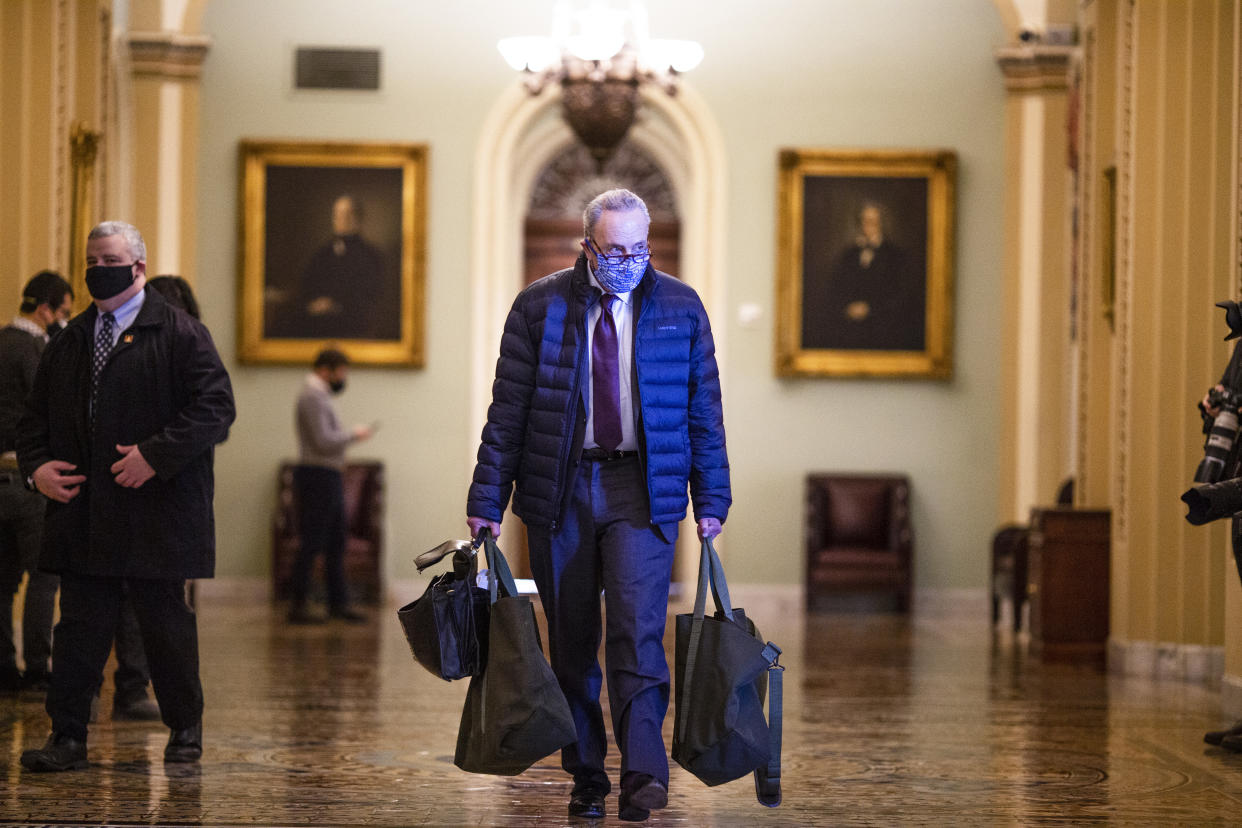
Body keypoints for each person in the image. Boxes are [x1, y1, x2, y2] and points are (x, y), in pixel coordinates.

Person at [466, 189, 731, 822]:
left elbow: (703, 411)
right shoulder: (538, 306)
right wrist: (486, 500)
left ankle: (644, 775)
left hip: (644, 490)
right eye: (615, 250)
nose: (629, 260)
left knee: (639, 635)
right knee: (574, 643)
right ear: (587, 246)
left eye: (641, 248)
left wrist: (712, 495)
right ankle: (586, 773)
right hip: (561, 489)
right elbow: (507, 413)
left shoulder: (681, 306)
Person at [15, 221, 235, 771]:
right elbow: (32, 421)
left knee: (166, 631)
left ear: (138, 267)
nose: (96, 269)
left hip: (156, 516)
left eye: (108, 258)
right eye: (90, 260)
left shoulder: (182, 334)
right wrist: (36, 468)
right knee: (79, 632)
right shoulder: (70, 339)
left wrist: (154, 456)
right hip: (84, 514)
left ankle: (185, 731)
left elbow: (215, 408)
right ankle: (67, 737)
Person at [0, 271, 73, 695]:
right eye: (63, 311)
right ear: (46, 309)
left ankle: (3, 666)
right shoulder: (39, 349)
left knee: (2, 581)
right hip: (28, 478)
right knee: (43, 579)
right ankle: (37, 669)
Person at [288, 347, 373, 624]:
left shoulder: (318, 395)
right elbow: (323, 441)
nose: (342, 378)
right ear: (326, 369)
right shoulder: (312, 396)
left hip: (328, 474)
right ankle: (298, 605)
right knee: (313, 541)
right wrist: (354, 435)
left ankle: (339, 603)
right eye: (341, 372)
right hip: (317, 475)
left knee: (336, 542)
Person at [802, 201, 924, 351]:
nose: (868, 225)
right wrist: (847, 307)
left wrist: (870, 309)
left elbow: (901, 295)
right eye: (864, 220)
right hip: (850, 328)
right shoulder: (849, 254)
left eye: (873, 221)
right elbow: (835, 289)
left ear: (881, 223)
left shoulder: (896, 256)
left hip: (884, 329)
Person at [286, 194, 396, 341]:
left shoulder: (372, 256)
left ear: (358, 219)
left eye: (346, 214)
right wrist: (313, 305)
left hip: (352, 323)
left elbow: (372, 296)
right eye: (337, 214)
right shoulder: (322, 254)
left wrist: (335, 305)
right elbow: (305, 286)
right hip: (316, 322)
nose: (340, 219)